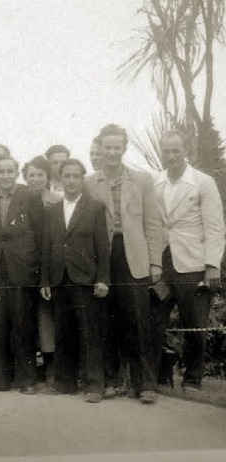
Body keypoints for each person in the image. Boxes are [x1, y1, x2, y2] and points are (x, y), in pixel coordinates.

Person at [86, 124, 161, 404]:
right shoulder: (89, 182)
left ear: (124, 149)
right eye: (108, 147)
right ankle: (108, 383)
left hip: (134, 256)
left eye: (117, 147)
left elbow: (153, 223)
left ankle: (145, 386)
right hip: (102, 257)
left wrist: (155, 262)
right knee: (105, 321)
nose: (112, 152)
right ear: (100, 149)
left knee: (138, 321)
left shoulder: (142, 180)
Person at [152, 130, 225, 391]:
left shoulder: (202, 182)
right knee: (155, 321)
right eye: (166, 151)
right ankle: (163, 372)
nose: (170, 156)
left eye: (175, 150)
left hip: (193, 263)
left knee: (194, 324)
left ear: (186, 151)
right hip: (161, 263)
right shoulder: (155, 182)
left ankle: (193, 378)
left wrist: (212, 265)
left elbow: (215, 227)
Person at [40, 159, 110, 403]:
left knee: (90, 334)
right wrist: (45, 281)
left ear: (83, 179)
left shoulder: (95, 207)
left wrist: (102, 278)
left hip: (86, 279)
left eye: (75, 176)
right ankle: (64, 383)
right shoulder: (52, 209)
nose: (71, 180)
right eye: (66, 176)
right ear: (60, 179)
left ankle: (94, 386)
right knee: (63, 332)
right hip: (60, 279)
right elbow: (47, 247)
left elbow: (103, 245)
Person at [0, 155, 44, 393]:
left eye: (10, 171)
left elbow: (40, 234)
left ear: (17, 173)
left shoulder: (30, 196)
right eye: (1, 171)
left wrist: (33, 267)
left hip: (23, 269)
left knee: (23, 323)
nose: (5, 176)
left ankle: (26, 380)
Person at [21, 155, 61, 384]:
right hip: (26, 263)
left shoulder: (56, 201)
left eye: (40, 175)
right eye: (31, 175)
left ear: (47, 177)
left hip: (50, 262)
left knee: (47, 315)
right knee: (27, 315)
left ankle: (51, 365)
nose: (35, 179)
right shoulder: (20, 199)